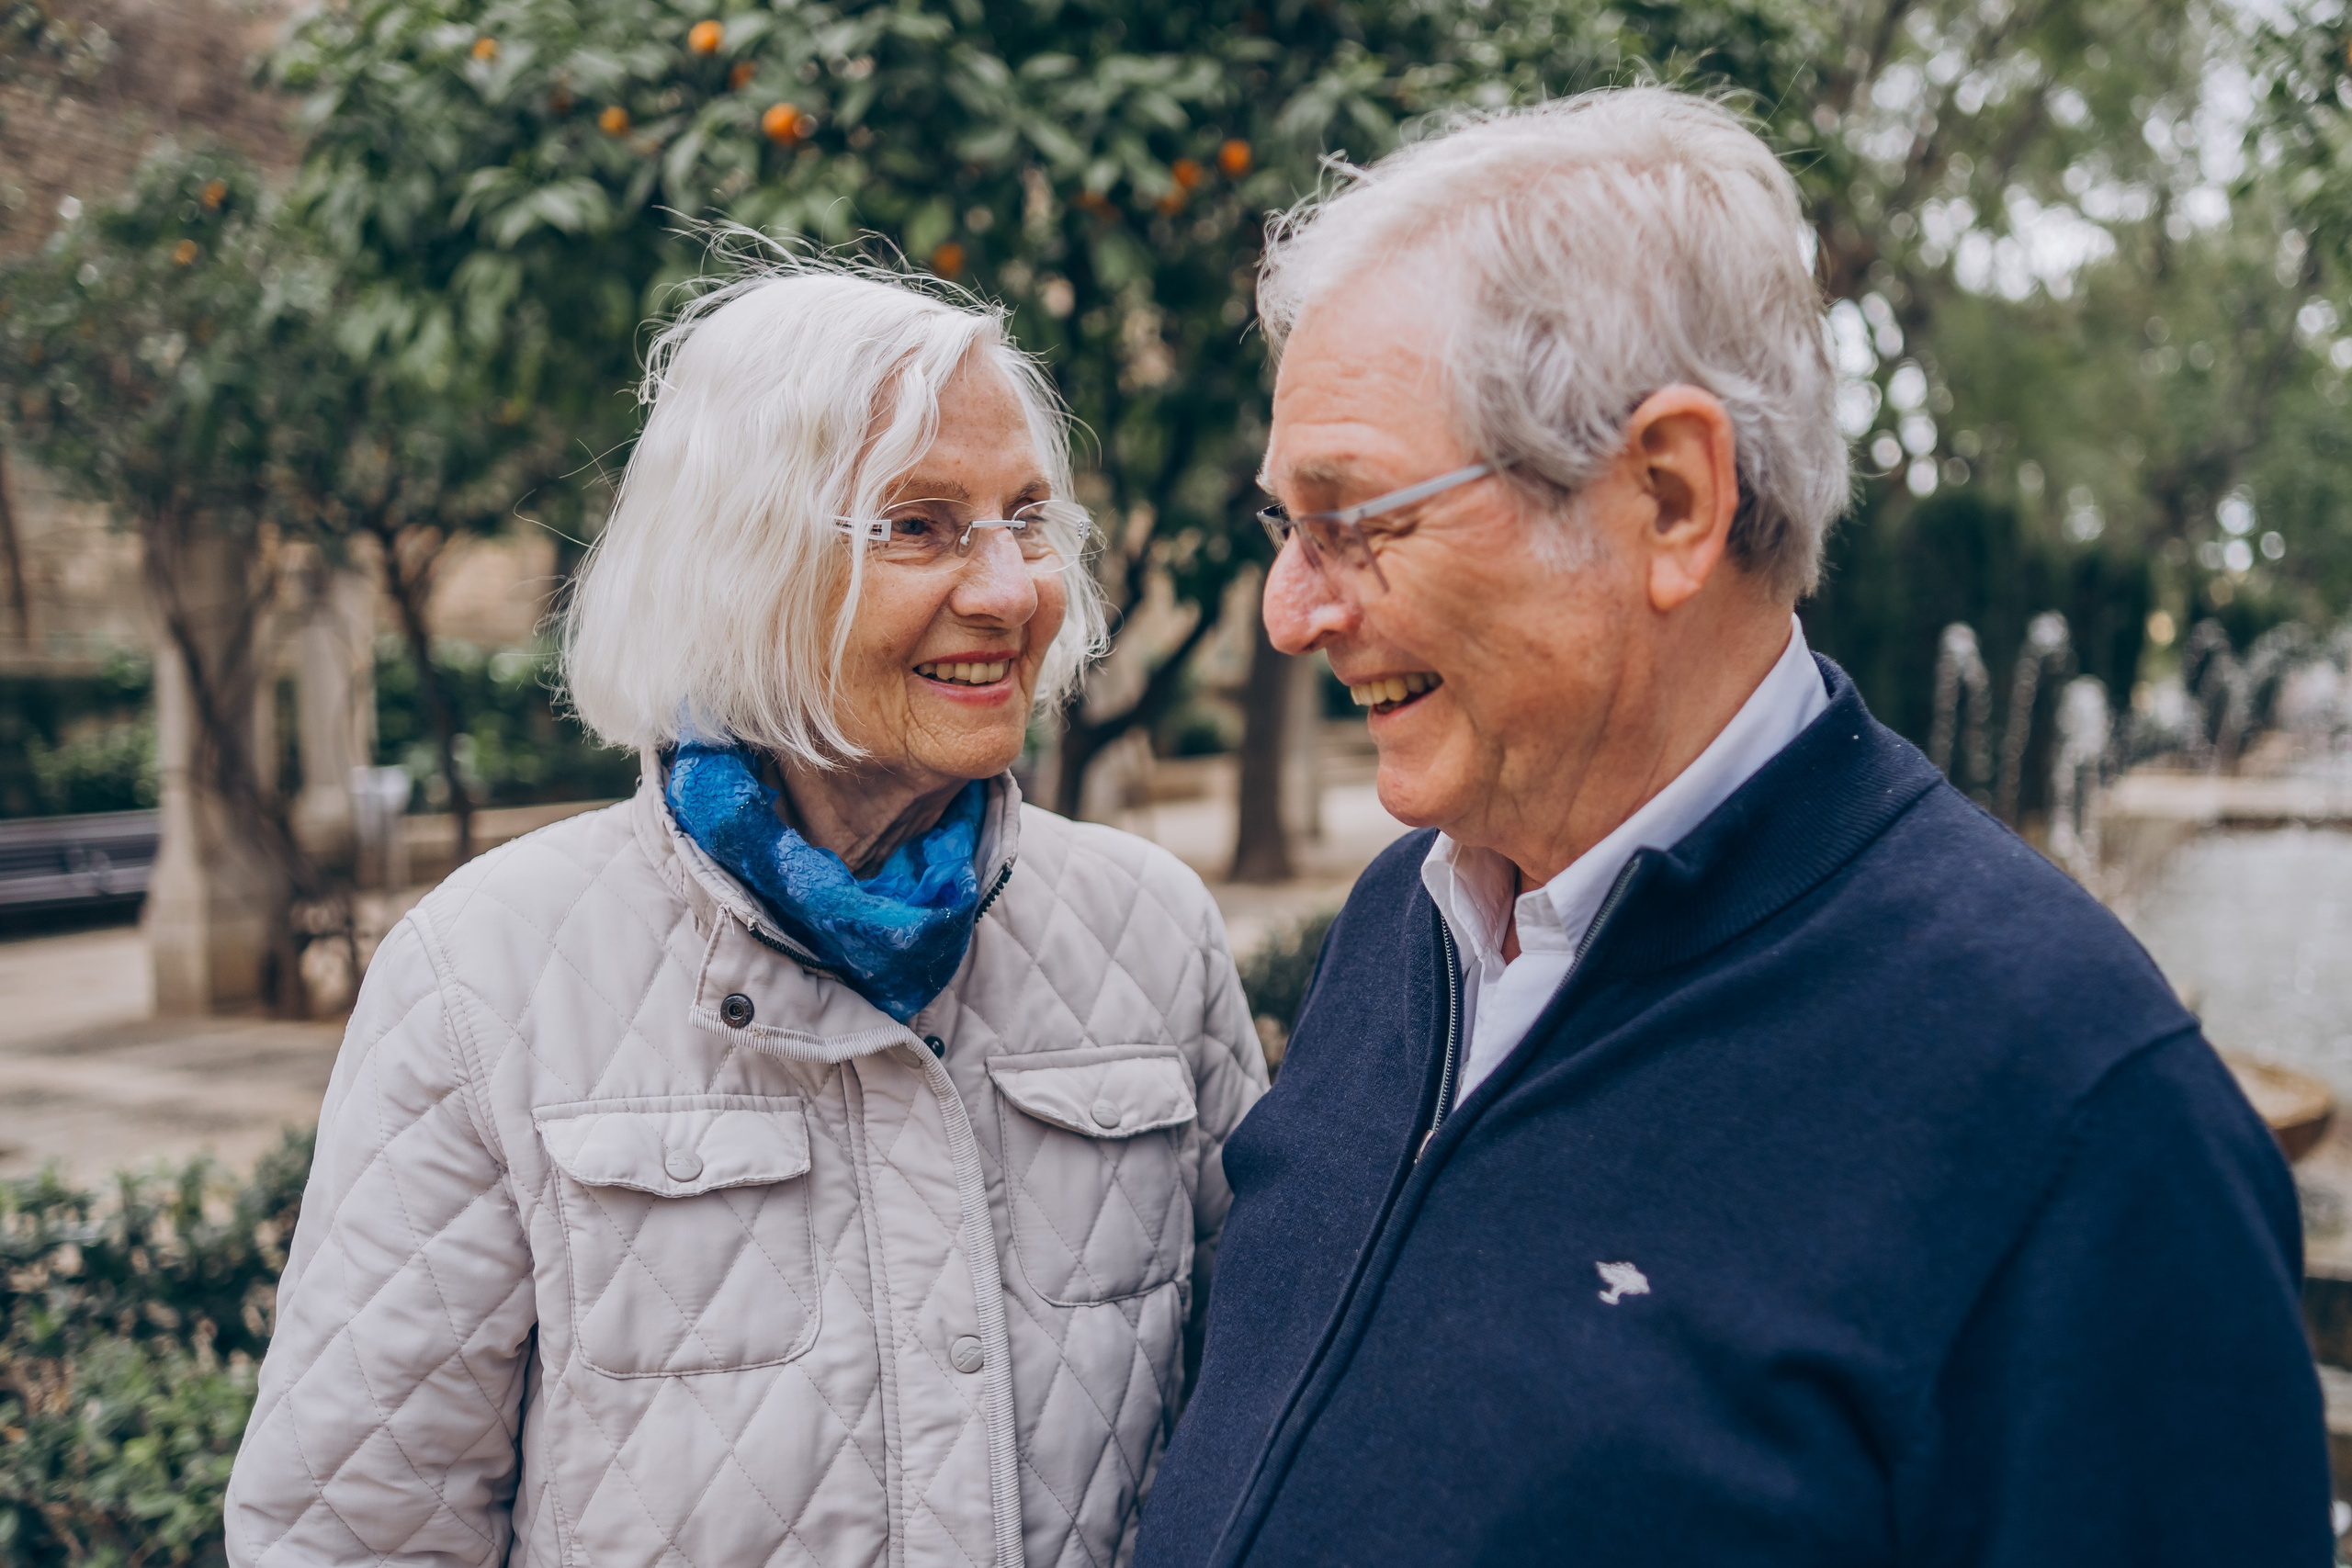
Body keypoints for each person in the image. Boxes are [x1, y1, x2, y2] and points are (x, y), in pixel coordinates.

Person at [1136, 88, 2332, 1566]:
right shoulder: (1403, 926)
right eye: (1283, 528)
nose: (1291, 611)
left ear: (1669, 497)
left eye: (1357, 518)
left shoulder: (2080, 1111)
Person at [224, 265, 1266, 1568]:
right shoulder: (482, 974)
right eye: (919, 526)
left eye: (1027, 519)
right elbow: (356, 1534)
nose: (1010, 590)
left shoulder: (1151, 934)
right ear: (743, 562)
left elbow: (1268, 1432)